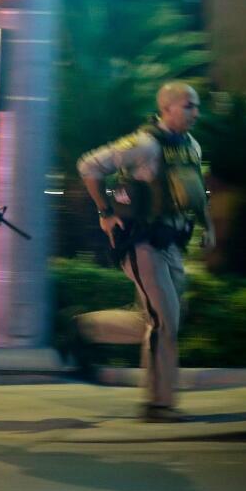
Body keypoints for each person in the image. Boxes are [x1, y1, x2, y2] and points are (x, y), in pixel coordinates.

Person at [76, 81, 214, 423]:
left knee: (161, 319)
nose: (195, 112)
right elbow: (89, 166)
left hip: (171, 243)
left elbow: (196, 191)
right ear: (166, 108)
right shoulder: (144, 144)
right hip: (141, 244)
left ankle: (83, 328)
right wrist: (105, 213)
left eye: (196, 106)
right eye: (188, 105)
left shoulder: (191, 146)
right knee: (164, 319)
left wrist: (208, 226)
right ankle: (158, 404)